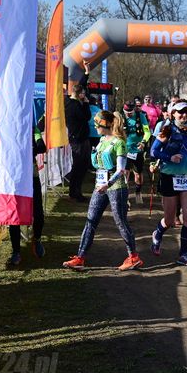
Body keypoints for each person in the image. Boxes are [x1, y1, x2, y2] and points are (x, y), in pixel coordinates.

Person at [63, 110, 144, 271]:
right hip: (100, 186)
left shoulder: (119, 142)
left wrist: (108, 184)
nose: (95, 127)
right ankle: (80, 257)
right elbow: (97, 164)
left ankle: (133, 257)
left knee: (120, 221)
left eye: (97, 124)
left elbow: (121, 170)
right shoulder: (101, 141)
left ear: (106, 124)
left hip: (116, 187)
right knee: (90, 220)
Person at [150, 101, 187, 265]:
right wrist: (170, 157)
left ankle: (183, 254)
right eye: (180, 112)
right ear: (173, 114)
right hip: (169, 177)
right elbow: (153, 151)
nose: (184, 115)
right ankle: (158, 233)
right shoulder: (167, 130)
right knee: (170, 220)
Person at [7, 126, 47, 266]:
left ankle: (37, 239)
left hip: (32, 177)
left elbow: (42, 147)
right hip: (14, 179)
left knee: (38, 213)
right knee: (15, 215)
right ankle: (16, 251)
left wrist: (28, 149)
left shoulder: (32, 128)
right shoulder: (7, 127)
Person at [65, 83, 92, 202]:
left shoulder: (71, 102)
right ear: (79, 94)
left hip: (81, 138)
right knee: (79, 166)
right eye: (83, 94)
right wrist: (86, 104)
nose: (85, 96)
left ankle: (76, 191)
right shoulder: (74, 105)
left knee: (82, 165)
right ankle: (74, 192)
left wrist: (86, 74)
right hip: (77, 139)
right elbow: (86, 117)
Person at [122, 101, 151, 204]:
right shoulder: (121, 117)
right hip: (125, 149)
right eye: (127, 113)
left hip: (138, 149)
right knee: (125, 173)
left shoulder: (141, 116)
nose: (129, 114)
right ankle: (125, 195)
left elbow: (147, 132)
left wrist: (143, 142)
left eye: (131, 112)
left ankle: (138, 192)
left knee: (138, 174)